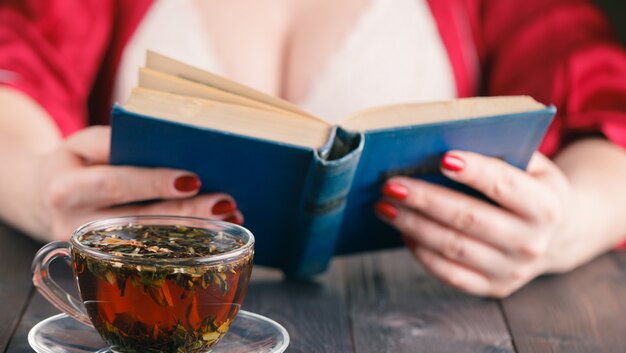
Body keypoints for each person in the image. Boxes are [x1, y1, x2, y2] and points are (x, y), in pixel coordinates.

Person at [1, 0, 625, 298]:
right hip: (152, 319)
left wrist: (569, 220)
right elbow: (14, 56)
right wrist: (36, 184)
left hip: (421, 337)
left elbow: (606, 96)